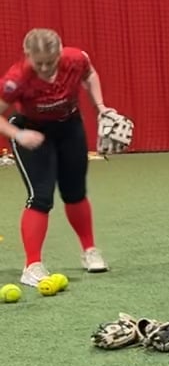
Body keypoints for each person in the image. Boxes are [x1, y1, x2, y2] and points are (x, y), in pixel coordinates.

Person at [0, 29, 113, 283]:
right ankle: (32, 266)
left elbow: (90, 74)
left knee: (75, 192)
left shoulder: (76, 59)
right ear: (27, 54)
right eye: (38, 63)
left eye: (50, 62)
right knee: (41, 196)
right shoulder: (16, 78)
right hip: (31, 132)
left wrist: (100, 107)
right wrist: (18, 135)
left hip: (69, 127)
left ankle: (90, 251)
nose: (44, 68)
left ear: (60, 52)